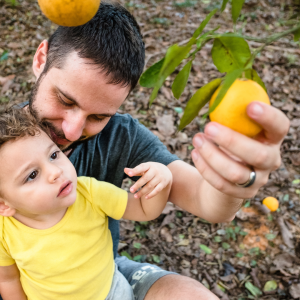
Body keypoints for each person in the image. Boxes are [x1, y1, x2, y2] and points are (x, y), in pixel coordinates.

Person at [18, 2, 289, 299]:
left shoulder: (121, 136)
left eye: (98, 116)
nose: (72, 130)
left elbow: (206, 200)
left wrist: (233, 180)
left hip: (105, 274)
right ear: (41, 58)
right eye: (65, 100)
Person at [0, 107, 172, 300]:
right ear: (4, 205)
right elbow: (8, 279)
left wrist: (161, 181)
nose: (55, 172)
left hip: (110, 293)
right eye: (32, 175)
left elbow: (143, 210)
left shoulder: (90, 194)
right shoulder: (5, 232)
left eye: (53, 156)